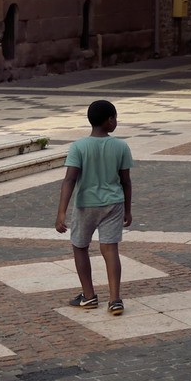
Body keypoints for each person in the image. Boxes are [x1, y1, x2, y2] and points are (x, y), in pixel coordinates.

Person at [54, 100, 133, 315]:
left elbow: (69, 180)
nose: (116, 121)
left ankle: (88, 296)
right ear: (109, 120)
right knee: (110, 249)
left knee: (80, 247)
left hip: (85, 205)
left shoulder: (78, 146)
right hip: (114, 204)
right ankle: (115, 300)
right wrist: (128, 209)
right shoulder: (121, 146)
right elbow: (126, 181)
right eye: (115, 118)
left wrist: (61, 212)